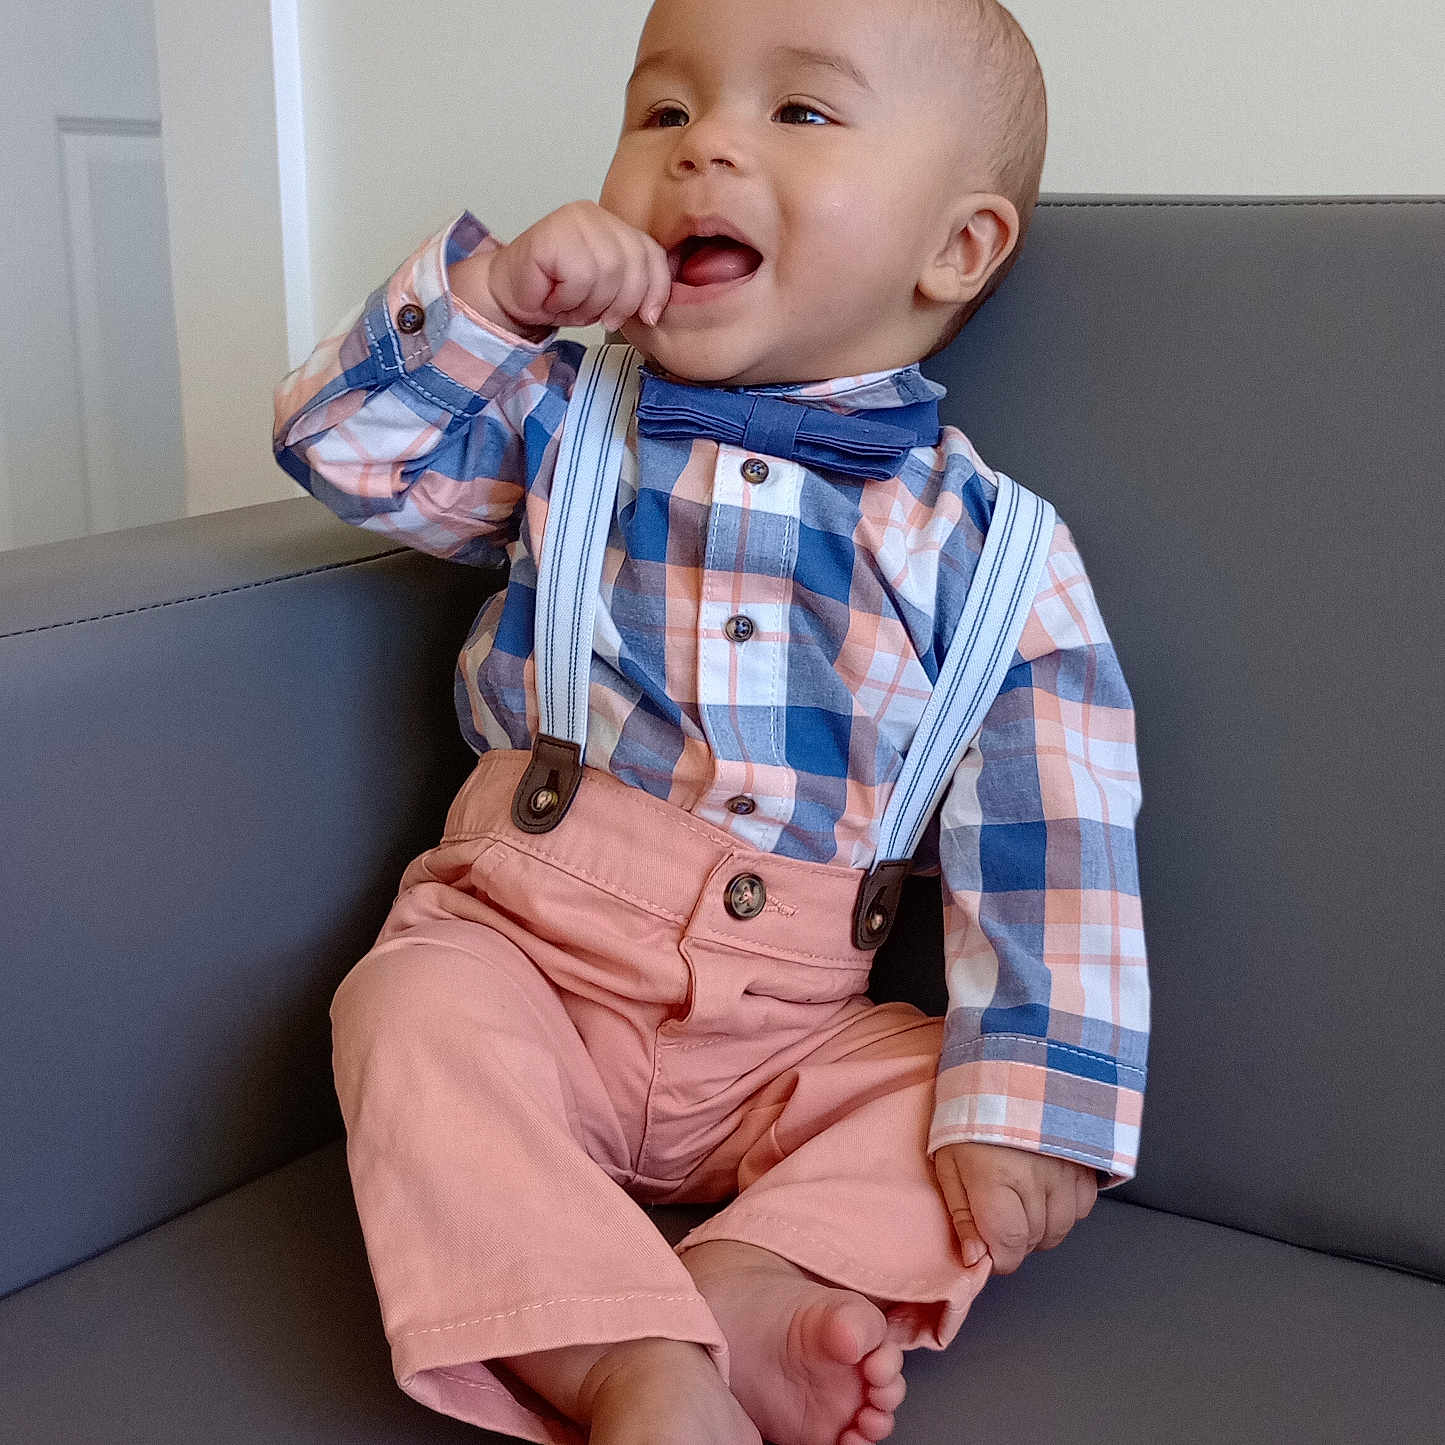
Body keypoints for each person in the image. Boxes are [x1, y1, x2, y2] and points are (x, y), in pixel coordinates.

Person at [271, 0, 1149, 1440]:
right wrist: (494, 298)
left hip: (788, 1033)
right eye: (662, 112)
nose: (704, 151)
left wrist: (1031, 1092)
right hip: (529, 953)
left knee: (947, 1093)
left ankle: (750, 1276)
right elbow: (346, 456)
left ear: (956, 246)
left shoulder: (994, 554)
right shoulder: (559, 408)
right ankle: (624, 1356)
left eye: (797, 114)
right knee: (408, 1012)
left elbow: (1053, 829)